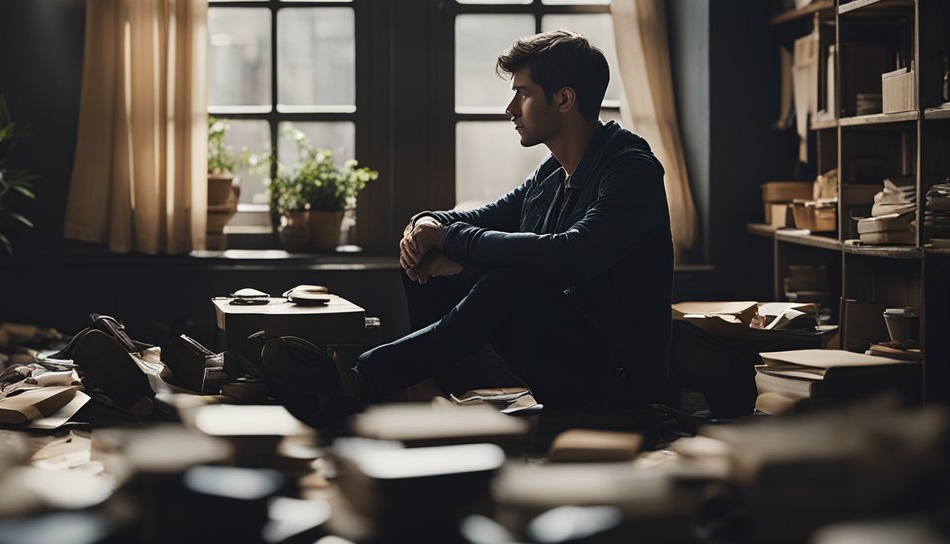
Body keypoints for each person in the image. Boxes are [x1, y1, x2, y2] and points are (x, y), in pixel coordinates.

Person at [261, 30, 675, 427]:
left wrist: (453, 242)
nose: (510, 108)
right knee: (432, 254)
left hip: (615, 377)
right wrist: (429, 225)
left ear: (564, 99)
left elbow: (570, 255)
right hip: (560, 359)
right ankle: (435, 385)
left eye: (523, 93)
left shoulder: (630, 169)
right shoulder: (554, 171)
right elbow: (486, 218)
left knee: (513, 280)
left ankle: (359, 383)